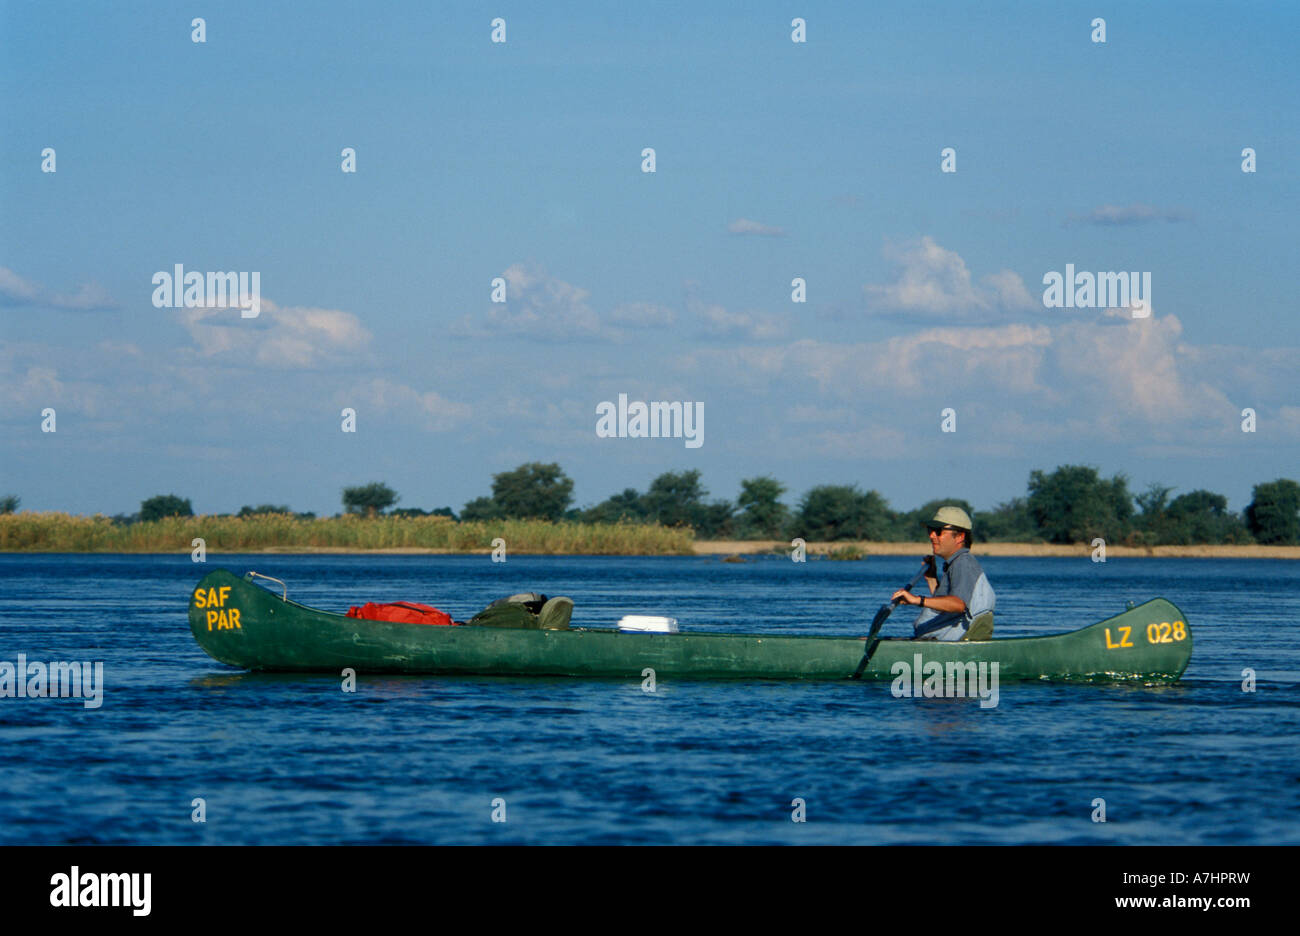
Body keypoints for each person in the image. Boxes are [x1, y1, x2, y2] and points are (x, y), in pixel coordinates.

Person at [891, 506, 995, 641]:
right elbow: (945, 606)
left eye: (938, 531)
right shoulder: (955, 563)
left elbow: (958, 604)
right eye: (931, 530)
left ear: (959, 537)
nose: (931, 535)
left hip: (958, 645)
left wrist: (917, 600)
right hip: (945, 642)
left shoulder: (964, 562)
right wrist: (931, 578)